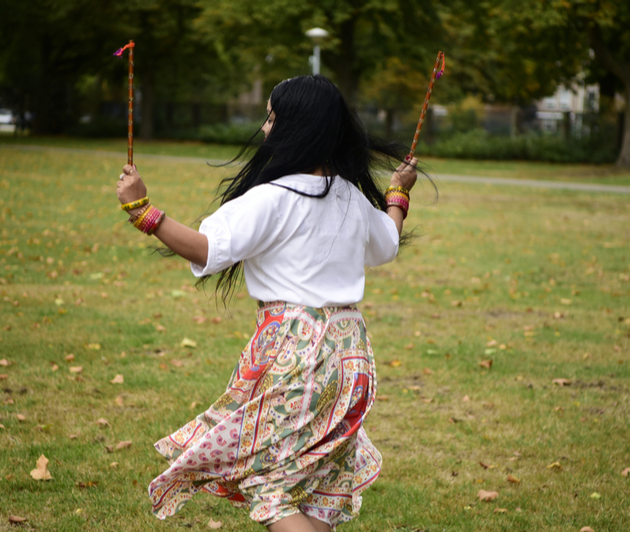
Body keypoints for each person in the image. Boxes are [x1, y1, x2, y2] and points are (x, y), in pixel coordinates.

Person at [115, 74, 419, 532]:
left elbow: (206, 249)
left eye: (271, 118)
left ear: (294, 128)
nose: (263, 128)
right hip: (350, 353)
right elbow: (388, 243)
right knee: (314, 487)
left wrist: (142, 211)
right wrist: (399, 193)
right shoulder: (350, 197)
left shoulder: (271, 199)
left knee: (270, 484)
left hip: (300, 352)